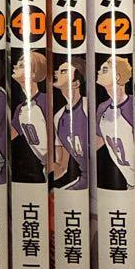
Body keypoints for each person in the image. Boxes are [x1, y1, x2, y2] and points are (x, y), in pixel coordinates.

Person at [94, 57, 135, 188]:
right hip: (128, 182)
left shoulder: (134, 105)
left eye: (105, 70)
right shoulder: (102, 108)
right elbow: (98, 140)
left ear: (117, 76)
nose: (98, 72)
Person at [11, 51, 48, 180]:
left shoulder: (46, 101)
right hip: (44, 168)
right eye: (17, 64)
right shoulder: (20, 108)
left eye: (22, 65)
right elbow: (9, 135)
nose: (15, 67)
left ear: (33, 74)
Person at [51, 59, 88, 189]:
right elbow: (61, 165)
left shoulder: (88, 107)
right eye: (58, 70)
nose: (56, 73)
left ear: (76, 83)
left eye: (63, 71)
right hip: (84, 178)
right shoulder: (58, 117)